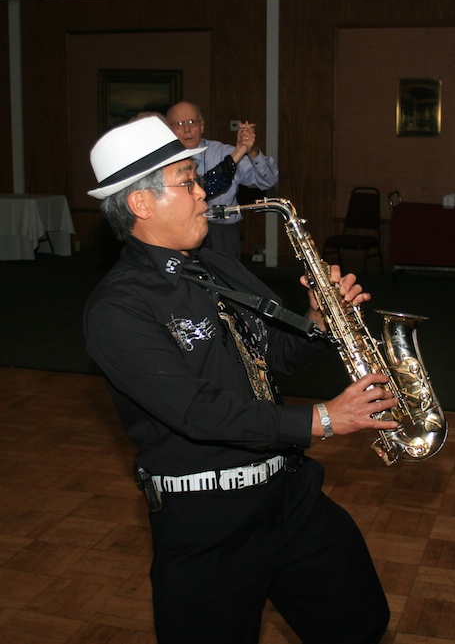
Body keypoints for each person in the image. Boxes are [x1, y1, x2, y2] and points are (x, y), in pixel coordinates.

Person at [83, 115, 394, 644]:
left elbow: (270, 354)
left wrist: (319, 323)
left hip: (289, 493)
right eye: (187, 181)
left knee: (361, 623)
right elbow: (198, 412)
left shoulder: (218, 267)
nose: (203, 191)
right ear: (141, 203)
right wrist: (323, 419)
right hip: (208, 523)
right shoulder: (118, 308)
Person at [167, 101, 279, 259]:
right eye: (179, 124)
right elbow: (205, 185)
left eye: (192, 122)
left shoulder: (223, 152)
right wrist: (238, 152)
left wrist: (251, 151)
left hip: (221, 232)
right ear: (170, 130)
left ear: (202, 126)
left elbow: (268, 180)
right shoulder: (164, 161)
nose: (187, 129)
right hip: (180, 231)